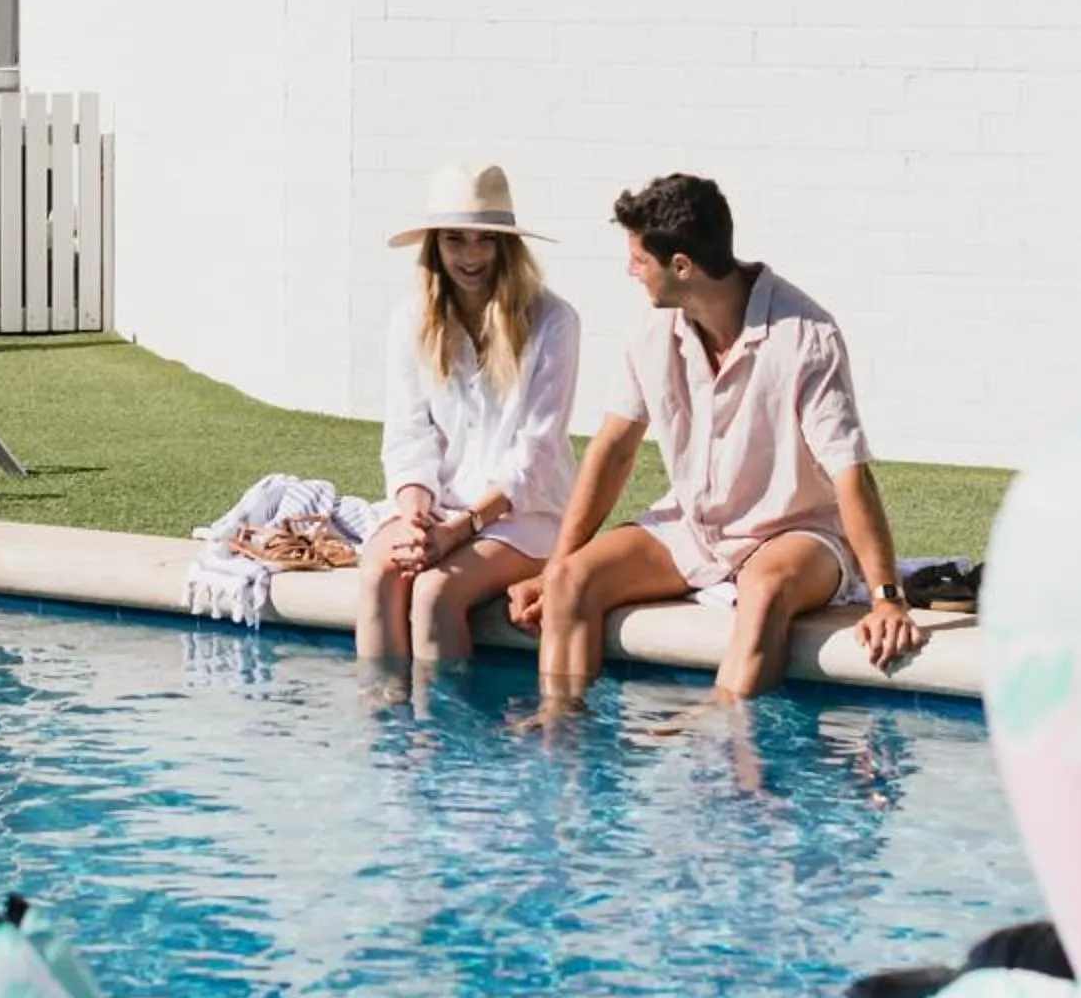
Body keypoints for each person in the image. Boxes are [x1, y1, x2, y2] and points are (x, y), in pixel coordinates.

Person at [507, 174, 918, 713]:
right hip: (693, 528)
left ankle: (724, 759)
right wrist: (555, 564)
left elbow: (850, 473)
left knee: (764, 592)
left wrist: (887, 598)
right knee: (570, 583)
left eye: (638, 260)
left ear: (682, 266)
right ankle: (564, 750)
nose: (630, 271)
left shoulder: (808, 336)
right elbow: (615, 448)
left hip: (796, 529)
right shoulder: (650, 333)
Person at [354, 163, 582, 672]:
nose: (471, 255)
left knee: (435, 592)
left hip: (524, 515)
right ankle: (386, 740)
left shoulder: (553, 321)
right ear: (435, 246)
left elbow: (536, 455)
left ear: (507, 246)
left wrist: (461, 529)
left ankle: (450, 744)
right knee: (378, 577)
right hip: (439, 507)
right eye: (456, 240)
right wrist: (414, 511)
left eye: (486, 240)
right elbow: (408, 436)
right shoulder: (411, 319)